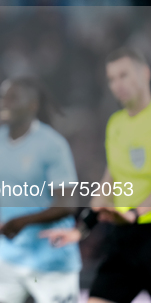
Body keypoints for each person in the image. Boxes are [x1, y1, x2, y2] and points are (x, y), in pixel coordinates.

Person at [0, 78, 81, 303]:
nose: (4, 103)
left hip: (52, 257)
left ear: (32, 105)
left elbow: (67, 205)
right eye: (2, 97)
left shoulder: (52, 145)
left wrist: (21, 222)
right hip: (9, 254)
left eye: (12, 98)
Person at [41, 47, 151, 303]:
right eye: (111, 79)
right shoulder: (116, 124)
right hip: (124, 239)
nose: (117, 85)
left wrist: (134, 212)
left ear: (145, 73)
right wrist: (82, 228)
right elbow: (109, 182)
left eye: (124, 75)